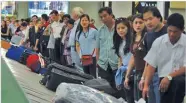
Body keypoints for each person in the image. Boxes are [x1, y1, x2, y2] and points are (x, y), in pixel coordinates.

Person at [142, 13, 186, 103]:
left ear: (182, 30)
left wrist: (170, 76)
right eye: (169, 30)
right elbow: (151, 64)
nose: (172, 34)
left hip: (181, 79)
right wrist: (146, 85)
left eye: (175, 31)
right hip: (163, 80)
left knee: (177, 82)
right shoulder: (159, 42)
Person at [138, 7, 167, 103]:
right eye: (145, 20)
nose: (148, 22)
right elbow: (149, 60)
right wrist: (144, 78)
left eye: (150, 19)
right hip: (151, 77)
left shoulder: (170, 32)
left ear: (159, 17)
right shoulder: (148, 35)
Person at [124, 14, 146, 102]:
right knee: (137, 100)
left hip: (146, 73)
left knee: (144, 100)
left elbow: (149, 60)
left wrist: (144, 77)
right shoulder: (134, 37)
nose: (138, 25)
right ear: (132, 24)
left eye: (140, 22)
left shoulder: (147, 37)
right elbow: (133, 57)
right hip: (137, 72)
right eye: (135, 22)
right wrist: (127, 75)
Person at [96, 7, 118, 88]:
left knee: (118, 89)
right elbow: (97, 48)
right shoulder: (100, 30)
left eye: (105, 16)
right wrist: (98, 62)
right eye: (101, 17)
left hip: (116, 64)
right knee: (105, 89)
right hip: (103, 65)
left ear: (111, 15)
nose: (103, 18)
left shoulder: (119, 28)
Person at [113, 17, 132, 102]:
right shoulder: (119, 41)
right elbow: (120, 58)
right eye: (118, 28)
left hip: (133, 71)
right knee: (126, 97)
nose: (121, 30)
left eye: (123, 28)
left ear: (128, 28)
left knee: (132, 97)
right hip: (124, 71)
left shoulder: (132, 40)